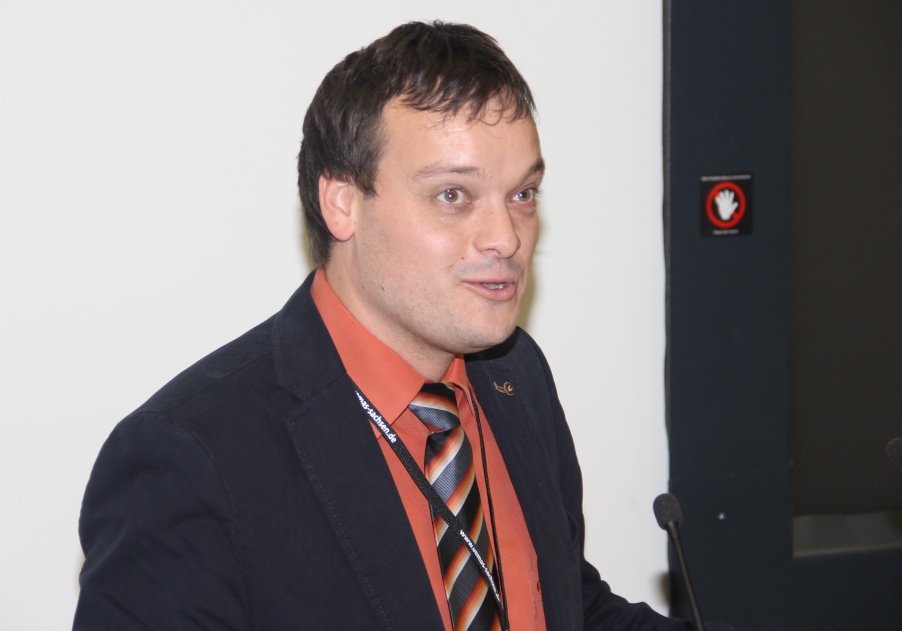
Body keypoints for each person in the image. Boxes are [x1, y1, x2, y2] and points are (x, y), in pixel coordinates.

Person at [74, 21, 731, 631]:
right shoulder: (191, 456)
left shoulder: (516, 374)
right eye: (453, 195)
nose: (505, 237)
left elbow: (564, 605)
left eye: (522, 194)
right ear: (342, 203)